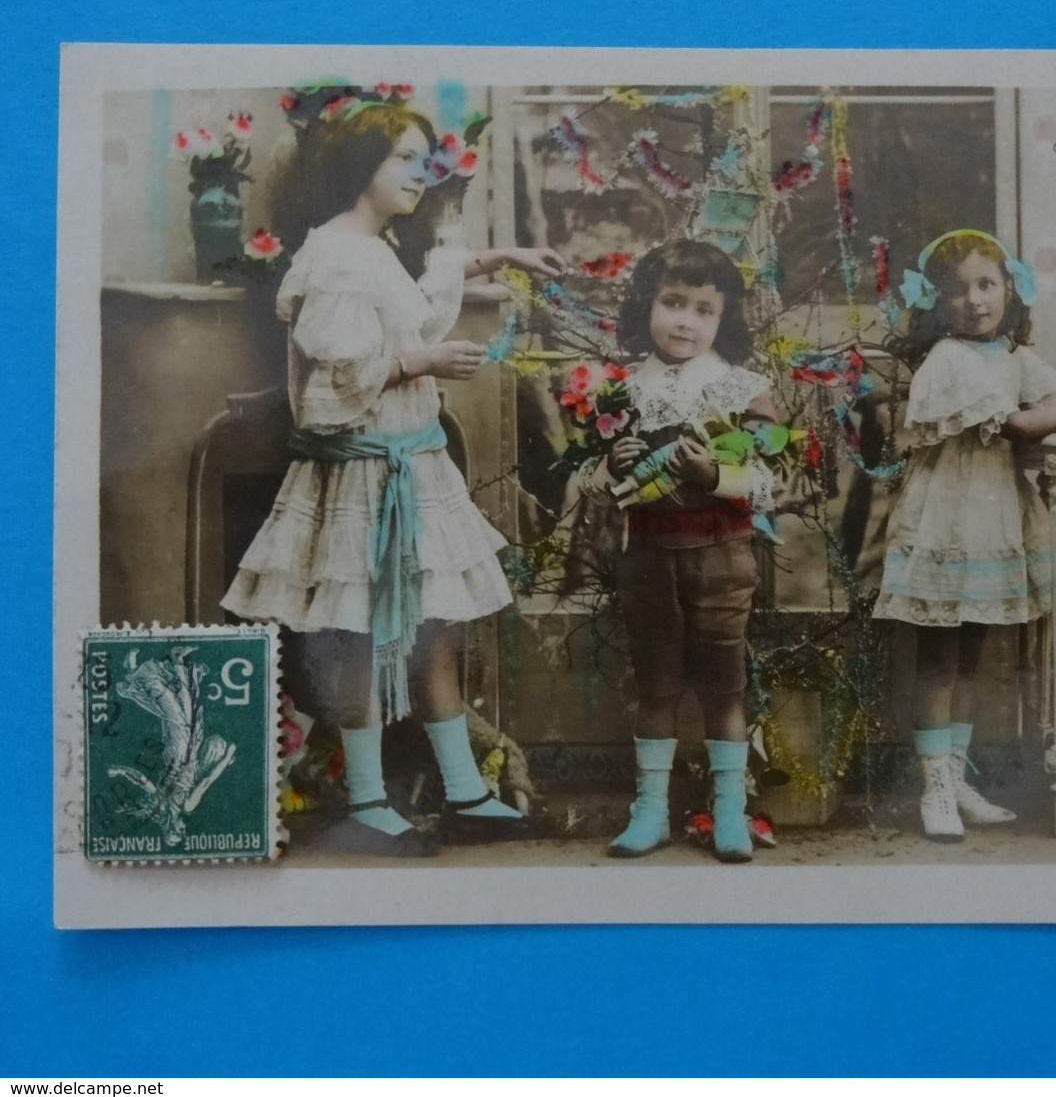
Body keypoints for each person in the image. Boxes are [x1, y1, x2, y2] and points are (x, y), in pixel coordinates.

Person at [222, 101, 566, 856]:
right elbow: (334, 379)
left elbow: (412, 301)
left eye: (423, 160)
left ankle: (466, 793)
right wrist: (422, 362)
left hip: (412, 467)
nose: (420, 174)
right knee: (359, 640)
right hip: (366, 480)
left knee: (432, 633)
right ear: (360, 167)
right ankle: (369, 802)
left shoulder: (372, 248)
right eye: (404, 160)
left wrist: (499, 255)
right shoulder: (337, 255)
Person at [873, 229, 1056, 842]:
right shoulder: (950, 360)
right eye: (957, 290)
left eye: (986, 285)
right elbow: (1021, 426)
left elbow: (1050, 401)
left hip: (995, 517)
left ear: (1009, 289)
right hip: (951, 515)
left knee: (971, 659)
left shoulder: (1011, 355)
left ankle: (957, 779)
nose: (973, 300)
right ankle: (932, 785)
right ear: (937, 303)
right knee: (940, 660)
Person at [576, 240, 779, 863]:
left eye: (703, 308)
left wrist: (717, 474)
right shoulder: (622, 390)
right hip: (648, 558)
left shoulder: (743, 390)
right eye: (671, 303)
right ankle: (650, 812)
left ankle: (729, 813)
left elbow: (771, 482)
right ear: (646, 305)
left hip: (723, 558)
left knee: (723, 687)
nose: (685, 321)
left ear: (724, 318)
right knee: (657, 684)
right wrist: (613, 464)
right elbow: (590, 480)